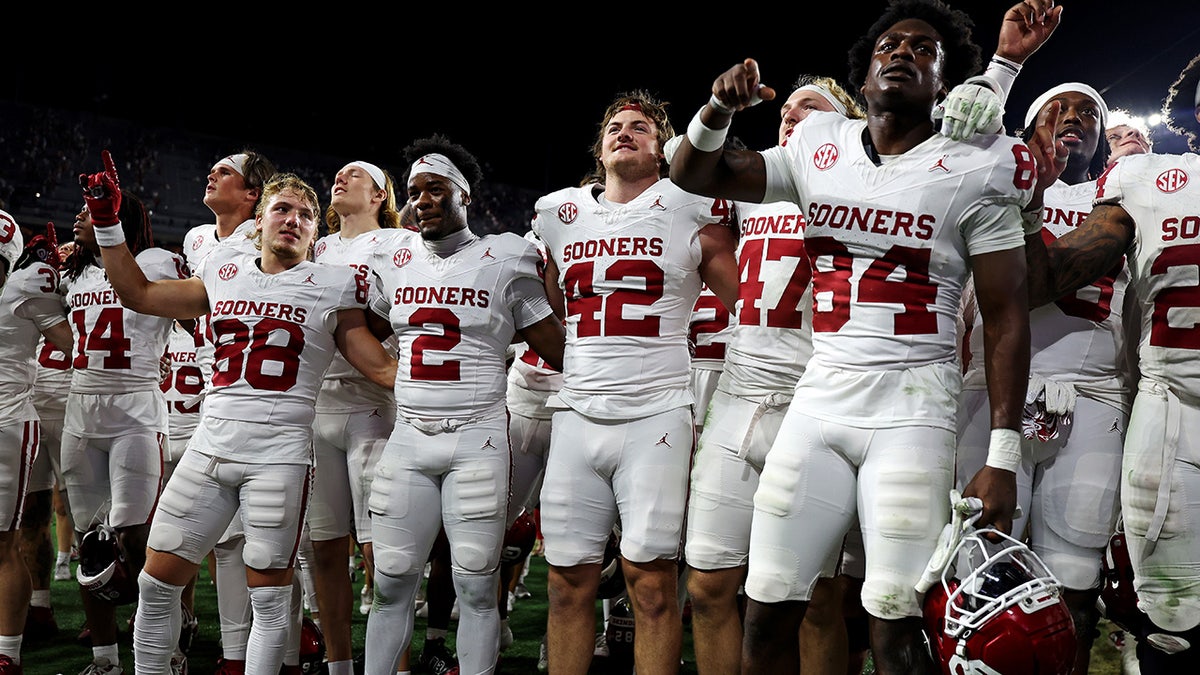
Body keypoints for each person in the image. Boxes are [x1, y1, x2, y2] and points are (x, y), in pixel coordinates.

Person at [669, 0, 1044, 670]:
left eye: (923, 48)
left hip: (915, 409)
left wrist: (1003, 456)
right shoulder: (820, 146)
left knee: (895, 622)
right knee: (767, 609)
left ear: (946, 83)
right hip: (819, 400)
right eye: (889, 44)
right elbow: (695, 173)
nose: (902, 51)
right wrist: (717, 111)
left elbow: (1007, 313)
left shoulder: (982, 161)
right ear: (865, 74)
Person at [75, 152, 399, 675]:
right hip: (211, 445)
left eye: (305, 216)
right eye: (283, 209)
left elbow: (380, 368)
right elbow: (136, 292)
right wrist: (109, 224)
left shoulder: (333, 285)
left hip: (280, 456)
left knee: (269, 602)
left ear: (316, 233)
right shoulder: (224, 273)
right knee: (155, 584)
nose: (292, 220)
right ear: (261, 220)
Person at [532, 89, 739, 675]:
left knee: (650, 585)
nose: (625, 132)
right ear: (599, 149)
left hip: (656, 414)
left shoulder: (690, 206)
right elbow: (551, 310)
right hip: (576, 411)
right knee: (566, 582)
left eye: (641, 127)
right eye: (615, 127)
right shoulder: (559, 214)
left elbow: (746, 304)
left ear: (663, 147)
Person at [677, 75, 866, 675]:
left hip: (816, 397)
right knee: (708, 583)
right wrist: (717, 109)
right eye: (786, 108)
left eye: (809, 107)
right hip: (739, 392)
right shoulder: (750, 189)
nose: (791, 115)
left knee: (816, 598)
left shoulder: (864, 186)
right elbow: (694, 166)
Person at [1023, 51, 1200, 674]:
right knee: (1173, 617)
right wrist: (1019, 197)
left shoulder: (1138, 178)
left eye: (1086, 115)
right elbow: (1038, 281)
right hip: (1172, 410)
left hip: (1116, 395)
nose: (1073, 120)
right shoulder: (1150, 180)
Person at [362, 135, 565, 675]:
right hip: (409, 436)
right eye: (413, 192)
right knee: (391, 581)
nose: (422, 199)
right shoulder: (397, 257)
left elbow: (556, 344)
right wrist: (382, 370)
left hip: (477, 437)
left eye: (435, 189)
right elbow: (362, 330)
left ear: (464, 195)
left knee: (476, 582)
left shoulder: (504, 257)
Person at [959, 81, 1122, 674]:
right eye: (1057, 109)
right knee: (980, 573)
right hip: (991, 387)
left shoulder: (1119, 194)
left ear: (1103, 140)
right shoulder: (987, 179)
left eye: (1090, 115)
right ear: (1027, 128)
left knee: (1074, 582)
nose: (1073, 118)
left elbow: (1039, 283)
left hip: (1092, 395)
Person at [61, 177, 188, 675]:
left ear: (120, 220)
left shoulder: (154, 262)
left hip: (136, 412)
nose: (81, 217)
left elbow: (194, 316)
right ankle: (106, 659)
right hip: (80, 411)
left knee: (136, 539)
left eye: (91, 211)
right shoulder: (71, 274)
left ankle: (165, 641)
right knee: (89, 543)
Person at [181, 150, 276, 675]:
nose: (210, 174)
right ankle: (239, 650)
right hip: (211, 393)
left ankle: (270, 649)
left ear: (251, 195)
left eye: (224, 172)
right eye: (210, 167)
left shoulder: (272, 236)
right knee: (224, 539)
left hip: (265, 395)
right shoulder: (197, 239)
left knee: (273, 541)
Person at [309, 160, 403, 675]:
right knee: (324, 548)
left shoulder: (397, 244)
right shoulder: (316, 246)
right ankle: (339, 663)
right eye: (336, 173)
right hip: (317, 403)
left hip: (372, 402)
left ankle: (394, 665)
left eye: (353, 174)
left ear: (379, 194)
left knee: (382, 551)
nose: (338, 178)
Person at [0, 217, 74, 675]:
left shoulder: (27, 287)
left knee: (7, 540)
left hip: (9, 419)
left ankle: (8, 651)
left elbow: (77, 345)